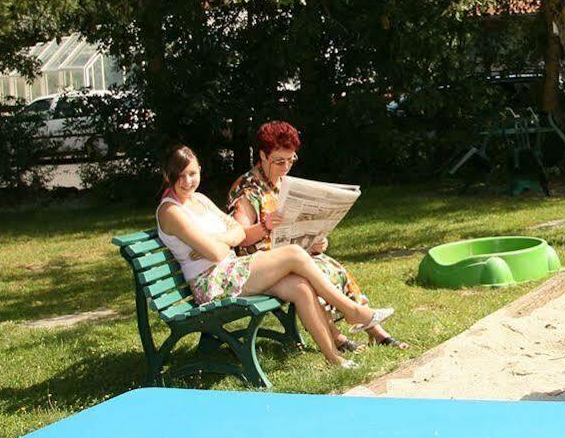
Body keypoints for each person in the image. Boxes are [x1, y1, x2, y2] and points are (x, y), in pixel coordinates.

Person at [156, 146, 392, 368]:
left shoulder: (200, 199)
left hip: (230, 270)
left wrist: (217, 238)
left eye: (192, 173)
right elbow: (218, 253)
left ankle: (334, 357)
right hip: (212, 282)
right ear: (168, 175)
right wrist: (223, 239)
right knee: (293, 254)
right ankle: (353, 312)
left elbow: (237, 233)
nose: (188, 181)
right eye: (180, 175)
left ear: (199, 171)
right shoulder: (172, 212)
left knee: (300, 287)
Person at [227, 121, 405, 348]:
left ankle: (377, 332)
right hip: (261, 265)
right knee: (314, 274)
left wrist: (314, 241)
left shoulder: (283, 182)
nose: (285, 167)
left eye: (290, 160)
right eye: (279, 161)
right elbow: (238, 237)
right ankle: (339, 337)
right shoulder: (247, 189)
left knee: (333, 267)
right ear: (262, 155)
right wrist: (264, 226)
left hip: (289, 255)